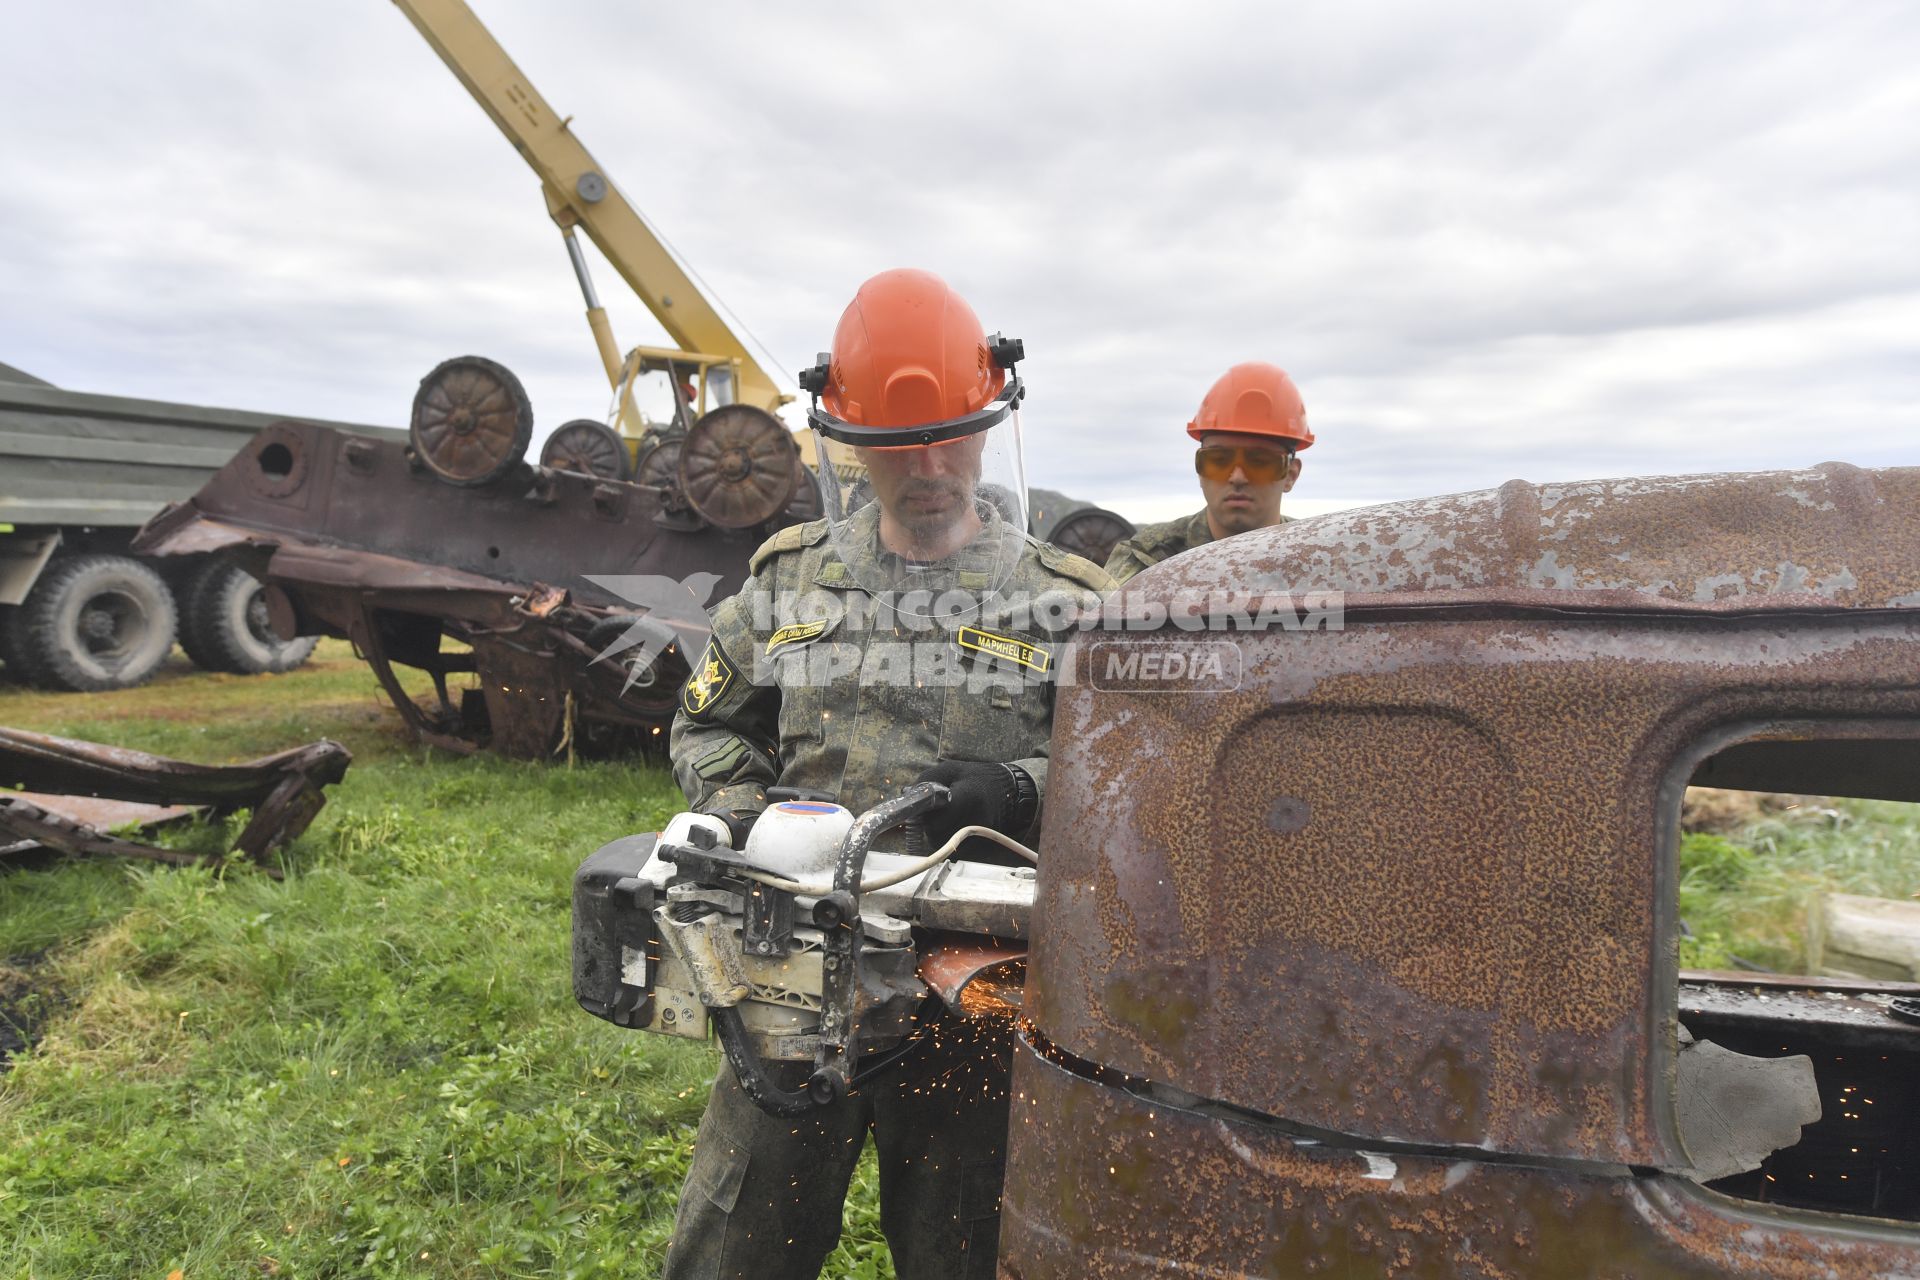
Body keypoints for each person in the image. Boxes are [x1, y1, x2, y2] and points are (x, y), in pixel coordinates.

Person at [662, 267, 1113, 1280]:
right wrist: (742, 819)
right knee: (739, 1239)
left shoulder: (1065, 603)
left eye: (951, 435)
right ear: (850, 445)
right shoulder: (790, 582)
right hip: (794, 979)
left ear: (989, 425)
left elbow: (1133, 771)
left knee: (963, 1247)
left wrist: (1026, 787)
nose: (930, 466)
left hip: (971, 994)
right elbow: (706, 724)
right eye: (898, 445)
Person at [1104, 361, 1313, 583]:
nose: (1238, 477)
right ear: (1199, 469)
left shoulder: (1319, 559)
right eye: (1218, 461)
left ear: (1291, 474)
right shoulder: (1148, 562)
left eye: (1259, 463)